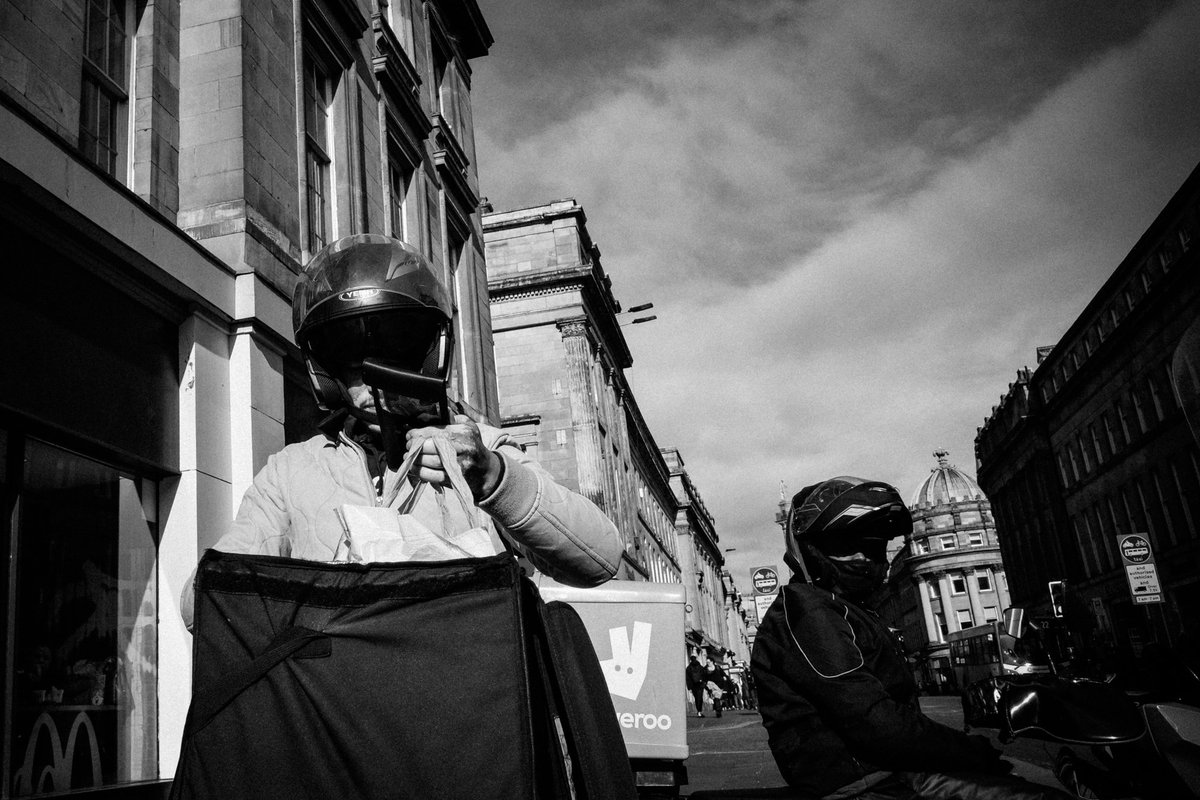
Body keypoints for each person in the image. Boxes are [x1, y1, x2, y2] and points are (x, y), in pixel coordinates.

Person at [181, 234, 623, 628]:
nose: (373, 384)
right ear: (326, 372)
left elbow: (599, 557)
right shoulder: (292, 470)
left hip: (468, 705)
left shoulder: (481, 448)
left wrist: (492, 477)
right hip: (337, 706)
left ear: (428, 357)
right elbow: (196, 605)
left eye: (391, 360)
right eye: (355, 367)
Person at [751, 476, 1071, 799]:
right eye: (849, 546)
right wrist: (973, 751)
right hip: (870, 784)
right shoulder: (809, 613)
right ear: (811, 549)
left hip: (892, 774)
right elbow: (877, 724)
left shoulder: (838, 607)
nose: (865, 559)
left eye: (874, 547)